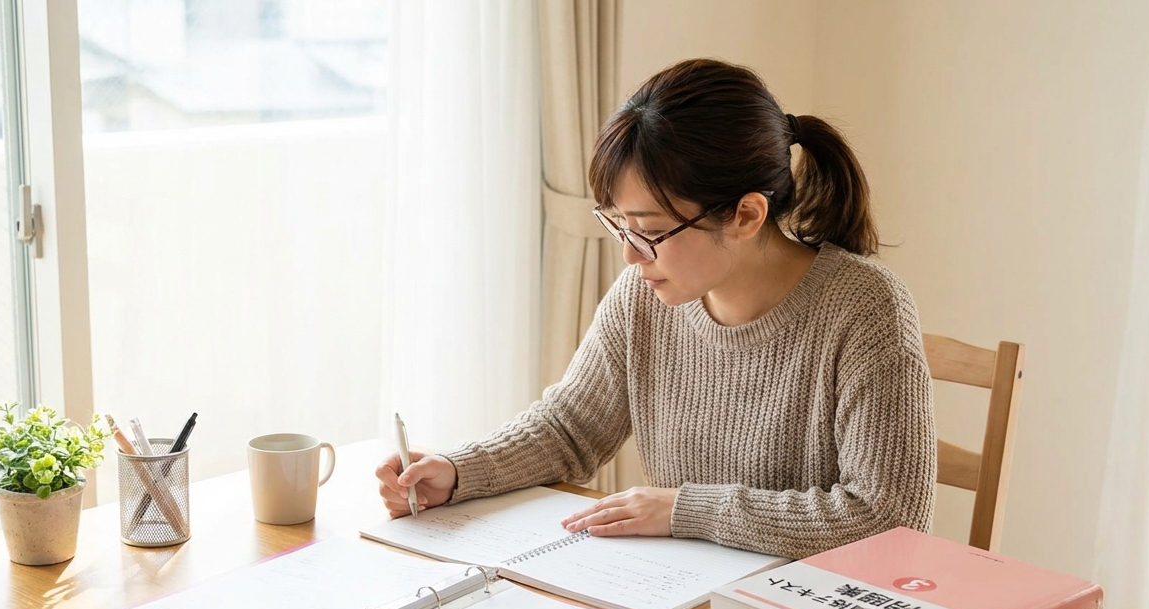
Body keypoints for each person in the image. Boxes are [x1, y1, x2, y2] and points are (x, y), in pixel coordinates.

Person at [375, 58, 935, 559]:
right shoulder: (644, 297)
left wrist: (686, 510)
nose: (628, 254)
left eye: (650, 231)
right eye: (618, 223)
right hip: (683, 597)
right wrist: (457, 473)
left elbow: (887, 518)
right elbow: (571, 429)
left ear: (745, 215)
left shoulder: (866, 310)